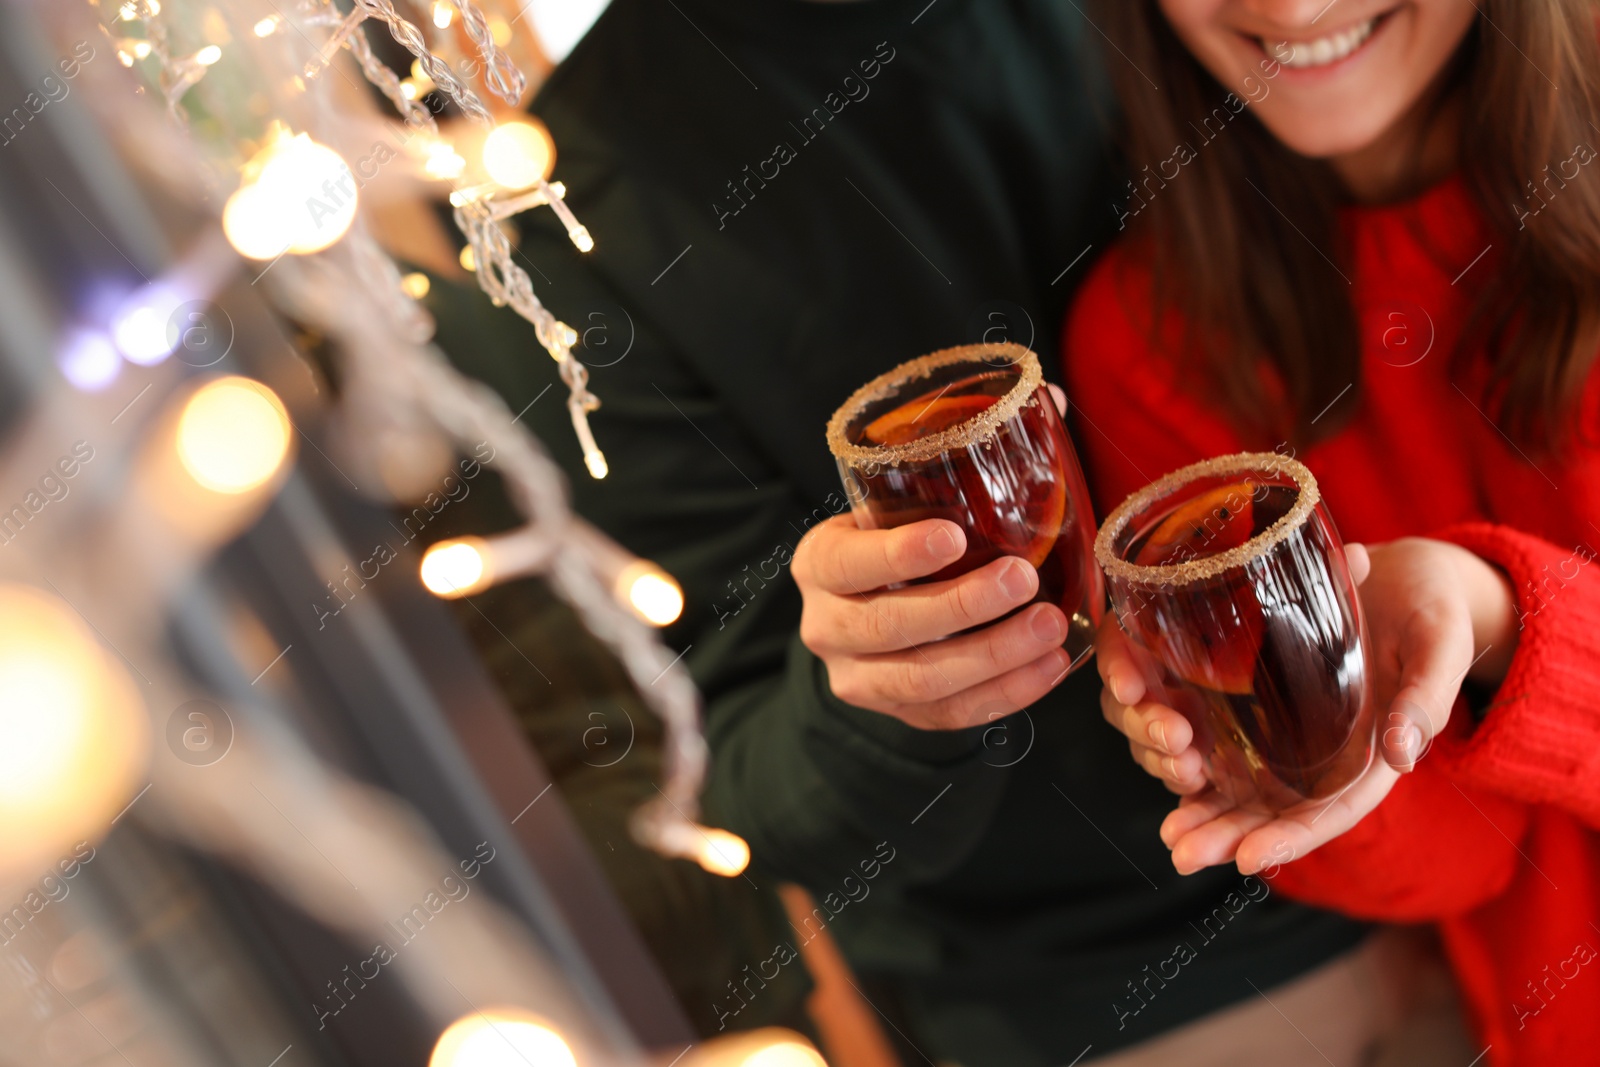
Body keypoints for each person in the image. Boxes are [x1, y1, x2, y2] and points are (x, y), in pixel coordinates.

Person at [420, 1, 1407, 1063]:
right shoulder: (568, 229)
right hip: (1144, 994)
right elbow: (736, 782)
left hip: (1469, 818)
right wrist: (880, 697)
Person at [1066, 1, 1600, 1064]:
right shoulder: (1149, 336)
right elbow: (1463, 865)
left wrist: (1500, 619)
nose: (1292, 6)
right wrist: (1305, 755)